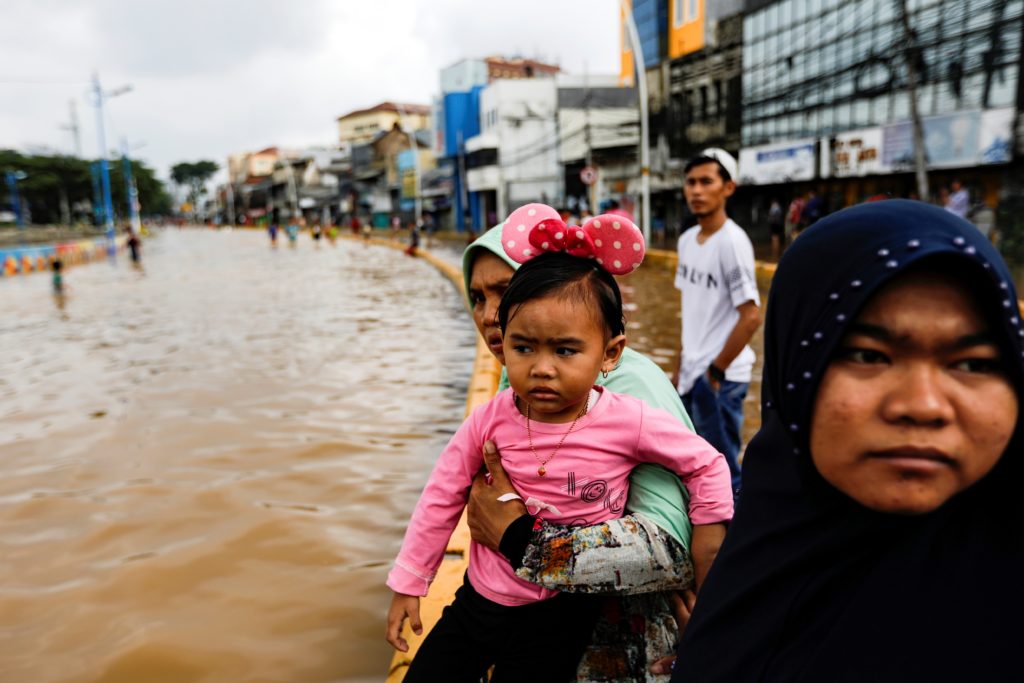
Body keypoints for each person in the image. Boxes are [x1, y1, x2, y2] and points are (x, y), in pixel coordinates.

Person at [671, 199, 1024, 681]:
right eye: (868, 355)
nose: (923, 405)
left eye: (972, 363)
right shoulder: (740, 583)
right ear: (795, 368)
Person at [387, 205, 733, 682]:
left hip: (611, 644)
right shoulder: (510, 398)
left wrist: (517, 538)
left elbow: (671, 551)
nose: (489, 316)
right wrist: (411, 578)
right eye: (477, 297)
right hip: (492, 600)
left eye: (504, 293)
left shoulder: (629, 397)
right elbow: (442, 489)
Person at [674, 148, 762, 497]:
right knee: (692, 467)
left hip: (719, 379)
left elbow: (751, 316)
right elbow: (692, 309)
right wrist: (679, 367)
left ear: (728, 187)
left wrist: (715, 372)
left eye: (706, 181)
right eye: (691, 182)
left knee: (725, 472)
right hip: (692, 375)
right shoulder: (686, 241)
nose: (696, 190)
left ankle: (733, 546)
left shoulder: (733, 242)